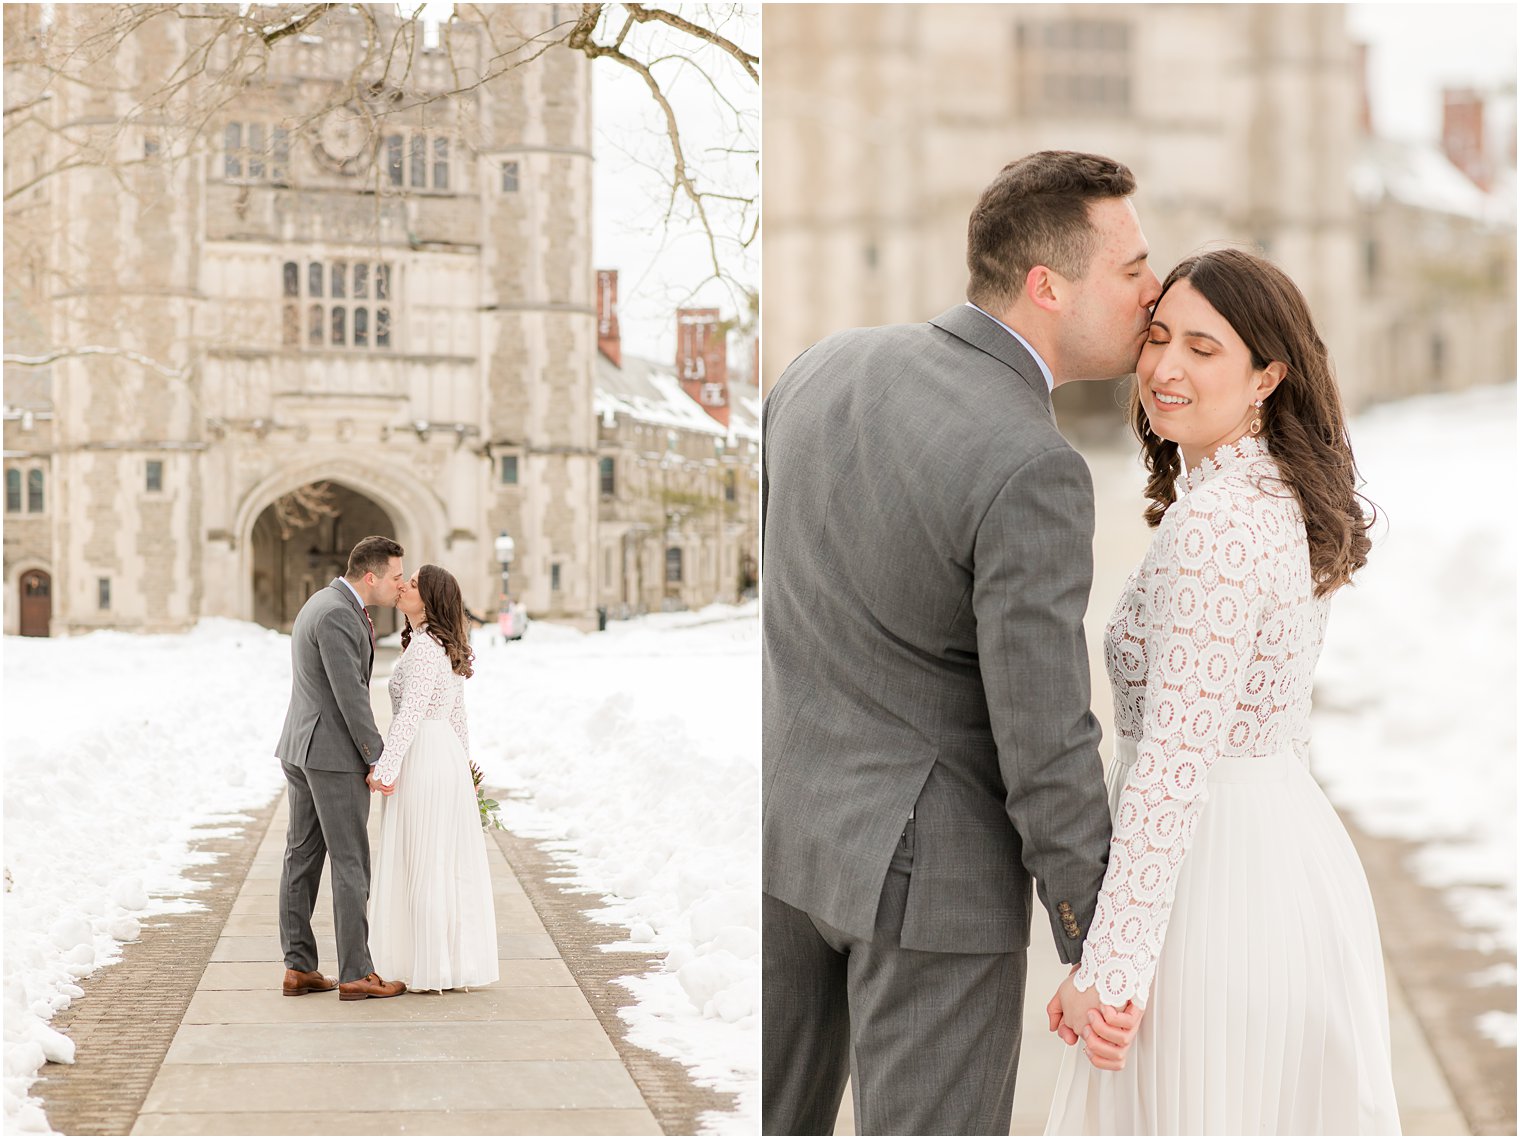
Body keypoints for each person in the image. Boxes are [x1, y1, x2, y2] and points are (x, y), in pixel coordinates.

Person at [761, 151, 1160, 1136]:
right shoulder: (1032, 462)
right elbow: (1044, 731)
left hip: (784, 841)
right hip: (929, 889)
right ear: (1046, 286)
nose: (1153, 293)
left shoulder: (818, 366)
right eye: (1132, 269)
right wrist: (1092, 930)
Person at [1044, 247, 1399, 1134]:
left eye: (1204, 349)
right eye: (1159, 338)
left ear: (1266, 374)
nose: (1166, 367)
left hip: (1218, 889)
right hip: (1274, 856)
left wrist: (1109, 971)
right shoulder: (1264, 492)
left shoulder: (1221, 526)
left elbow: (1173, 763)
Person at [274, 535, 408, 1001]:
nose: (400, 585)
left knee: (303, 856)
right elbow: (350, 694)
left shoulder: (324, 602)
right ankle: (356, 971)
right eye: (395, 577)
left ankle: (299, 968)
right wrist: (377, 755)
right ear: (370, 577)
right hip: (329, 755)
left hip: (303, 746)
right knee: (350, 861)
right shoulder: (335, 614)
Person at [368, 564, 499, 991]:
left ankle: (431, 964)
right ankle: (443, 960)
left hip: (424, 756)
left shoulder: (426, 649)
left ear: (429, 600)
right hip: (442, 757)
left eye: (413, 584)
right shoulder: (438, 645)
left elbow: (411, 715)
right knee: (439, 858)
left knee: (422, 857)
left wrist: (385, 768)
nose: (403, 586)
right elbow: (459, 718)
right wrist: (465, 770)